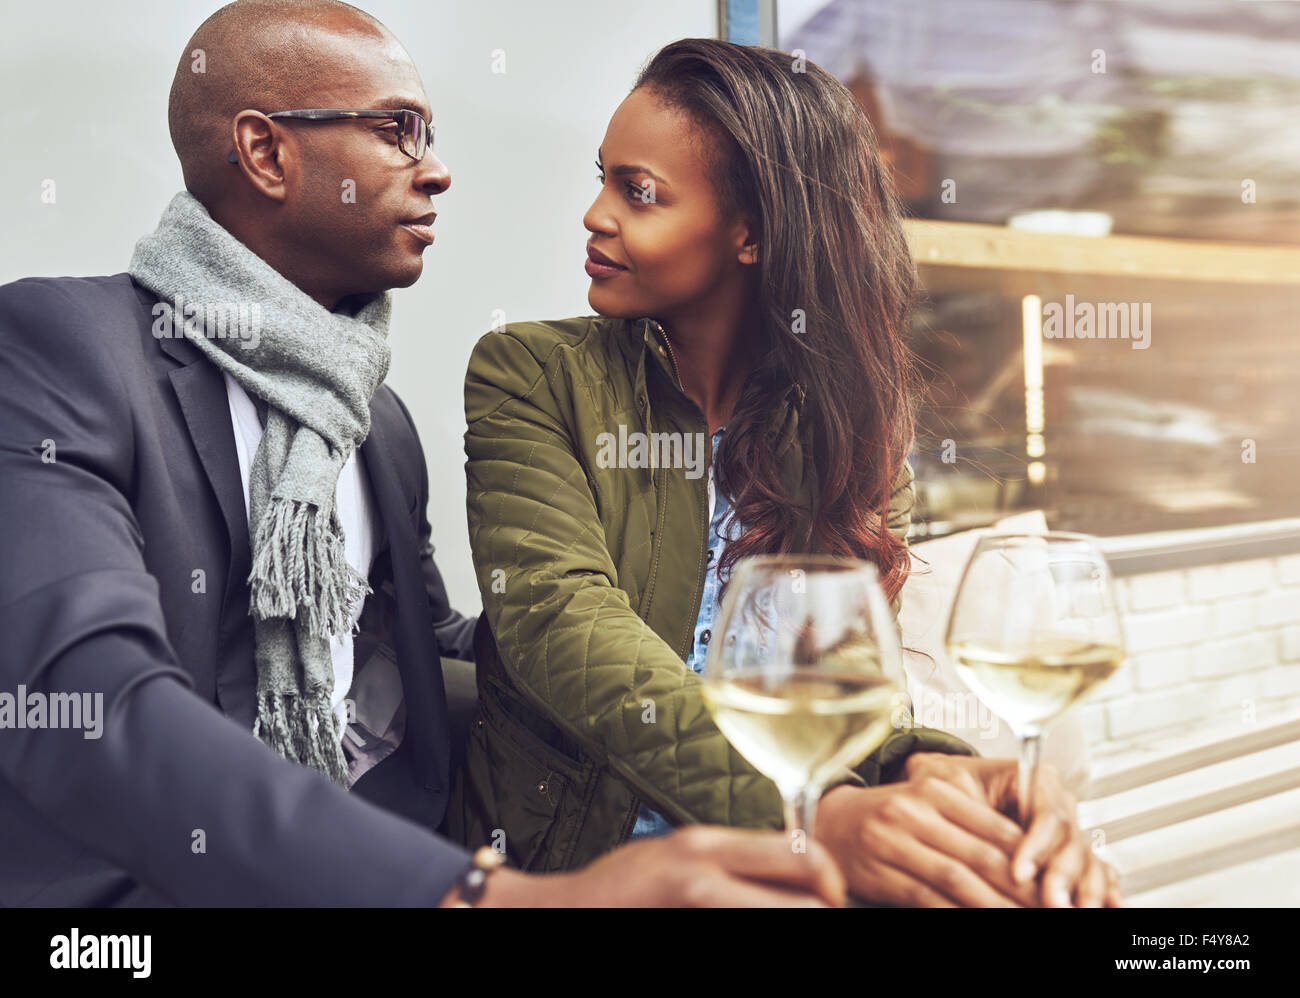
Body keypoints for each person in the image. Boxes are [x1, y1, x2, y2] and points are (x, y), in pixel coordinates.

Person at [0, 0, 847, 909]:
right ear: (265, 153)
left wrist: (596, 610)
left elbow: (407, 656)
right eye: (398, 131)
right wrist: (480, 894)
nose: (437, 170)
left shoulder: (380, 423)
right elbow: (85, 698)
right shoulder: (62, 346)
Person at [452, 37, 1123, 907]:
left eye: (638, 191)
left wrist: (949, 781)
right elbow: (563, 628)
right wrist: (817, 815)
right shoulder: (529, 373)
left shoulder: (851, 436)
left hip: (792, 867)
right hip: (580, 870)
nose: (595, 213)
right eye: (603, 177)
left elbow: (851, 691)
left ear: (751, 232)